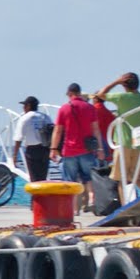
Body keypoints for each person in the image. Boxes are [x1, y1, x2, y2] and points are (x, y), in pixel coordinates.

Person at [94, 72, 140, 193]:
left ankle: (125, 204)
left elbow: (100, 94)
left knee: (122, 179)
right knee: (137, 178)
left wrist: (116, 82)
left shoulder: (121, 97)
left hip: (124, 143)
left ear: (124, 85)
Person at [51, 82, 101, 213]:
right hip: (87, 149)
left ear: (69, 94)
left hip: (69, 150)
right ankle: (91, 199)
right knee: (88, 177)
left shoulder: (64, 109)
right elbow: (96, 129)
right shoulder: (90, 108)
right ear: (79, 93)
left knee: (71, 181)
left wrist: (53, 149)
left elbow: (58, 131)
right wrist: (100, 148)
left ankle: (74, 210)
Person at [12, 96, 53, 182]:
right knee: (43, 178)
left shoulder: (24, 118)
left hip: (32, 151)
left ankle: (36, 191)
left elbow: (18, 139)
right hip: (45, 150)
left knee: (34, 179)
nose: (23, 108)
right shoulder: (45, 117)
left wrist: (15, 156)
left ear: (29, 106)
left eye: (24, 105)